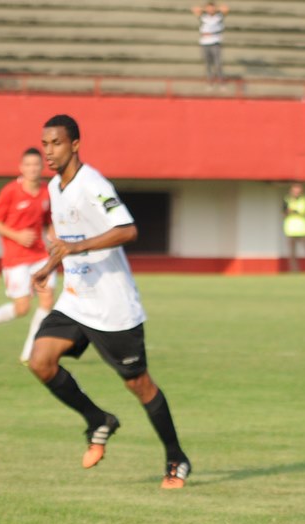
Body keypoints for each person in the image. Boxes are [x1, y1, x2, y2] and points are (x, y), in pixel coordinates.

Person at [29, 114, 192, 489]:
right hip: (75, 300)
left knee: (139, 385)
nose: (49, 151)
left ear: (74, 145)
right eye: (45, 144)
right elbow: (66, 239)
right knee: (40, 361)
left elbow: (128, 229)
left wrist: (76, 246)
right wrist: (48, 266)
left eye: (55, 143)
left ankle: (176, 457)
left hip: (113, 307)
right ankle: (98, 419)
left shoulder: (93, 184)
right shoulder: (55, 187)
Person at [0, 148, 56, 362]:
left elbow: (49, 222)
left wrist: (55, 239)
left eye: (36, 165)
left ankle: (30, 352)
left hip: (40, 256)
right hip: (15, 258)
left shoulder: (47, 192)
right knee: (22, 308)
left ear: (42, 167)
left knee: (46, 300)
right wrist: (17, 236)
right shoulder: (11, 191)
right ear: (21, 168)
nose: (32, 169)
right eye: (28, 165)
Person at [191, 3, 228, 86]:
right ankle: (210, 80)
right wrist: (205, 9)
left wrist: (215, 8)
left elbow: (225, 9)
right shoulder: (203, 17)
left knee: (218, 63)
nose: (211, 10)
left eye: (212, 8)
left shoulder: (219, 16)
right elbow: (194, 9)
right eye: (209, 8)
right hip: (205, 43)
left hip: (215, 42)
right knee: (208, 63)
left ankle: (221, 80)